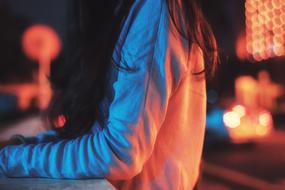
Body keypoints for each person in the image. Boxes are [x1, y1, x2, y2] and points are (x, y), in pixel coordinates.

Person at [0, 0, 218, 189]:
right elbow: (95, 132)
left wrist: (10, 158)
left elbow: (119, 153)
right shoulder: (127, 11)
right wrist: (21, 146)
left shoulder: (153, 10)